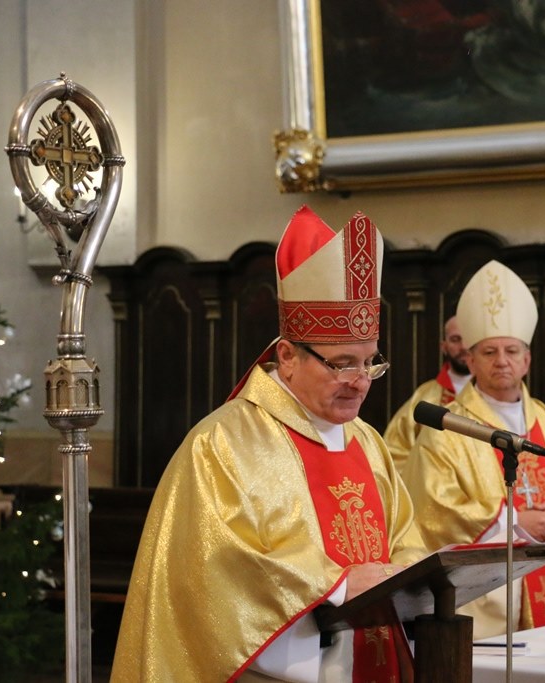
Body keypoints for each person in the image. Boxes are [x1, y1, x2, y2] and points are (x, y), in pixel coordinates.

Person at [112, 206, 428, 682]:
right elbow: (213, 570)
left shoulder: (366, 441)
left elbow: (404, 537)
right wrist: (337, 586)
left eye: (370, 363)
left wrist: (415, 572)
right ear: (287, 356)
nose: (360, 381)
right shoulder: (222, 444)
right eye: (342, 363)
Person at [403, 260, 545, 639]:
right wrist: (513, 523)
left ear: (526, 360)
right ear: (470, 360)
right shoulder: (447, 430)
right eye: (489, 352)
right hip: (492, 601)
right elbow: (433, 509)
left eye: (512, 351)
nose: (502, 361)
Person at [383, 315, 471, 473]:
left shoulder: (494, 395)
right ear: (444, 346)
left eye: (468, 339)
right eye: (455, 339)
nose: (463, 346)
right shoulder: (425, 396)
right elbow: (395, 451)